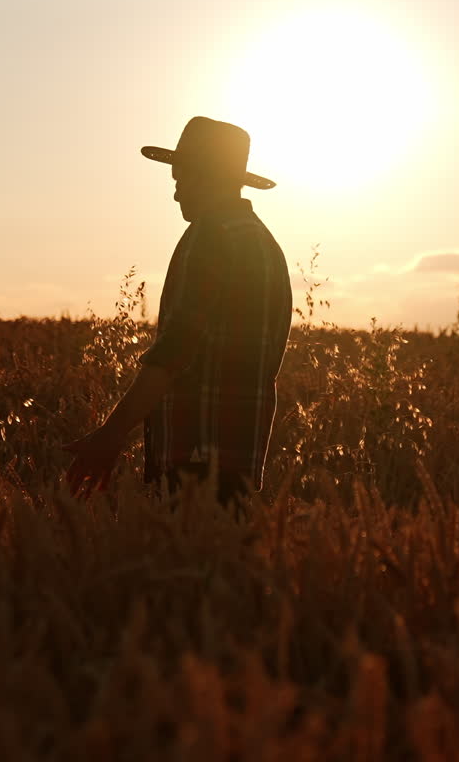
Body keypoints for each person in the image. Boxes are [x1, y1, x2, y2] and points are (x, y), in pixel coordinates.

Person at [64, 116, 293, 508]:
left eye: (179, 180)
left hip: (195, 455)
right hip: (238, 456)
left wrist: (111, 435)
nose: (176, 194)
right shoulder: (263, 242)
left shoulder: (210, 236)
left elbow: (177, 348)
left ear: (206, 176)